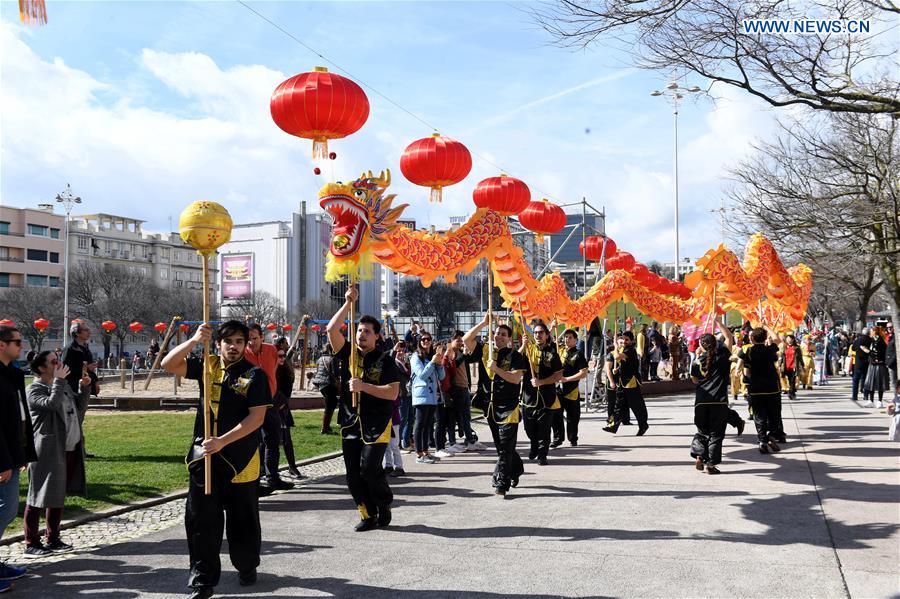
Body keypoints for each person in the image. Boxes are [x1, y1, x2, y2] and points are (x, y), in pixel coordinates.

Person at [327, 286, 400, 532]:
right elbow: (331, 330)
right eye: (359, 330)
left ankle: (383, 503)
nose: (361, 335)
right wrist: (348, 304)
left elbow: (392, 392)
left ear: (377, 336)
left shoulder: (386, 360)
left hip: (377, 424)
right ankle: (366, 513)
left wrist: (364, 386)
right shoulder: (347, 354)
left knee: (369, 468)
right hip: (350, 421)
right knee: (352, 474)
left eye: (367, 332)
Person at [23, 350, 91, 556]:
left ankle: (53, 538)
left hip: (68, 446)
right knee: (37, 495)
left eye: (58, 360)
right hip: (47, 449)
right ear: (42, 368)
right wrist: (59, 382)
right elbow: (50, 405)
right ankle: (31, 543)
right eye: (54, 362)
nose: (59, 364)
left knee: (57, 494)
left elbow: (79, 409)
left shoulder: (62, 385)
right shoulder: (34, 389)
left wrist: (84, 387)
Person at [464, 313, 527, 497]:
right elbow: (467, 339)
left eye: (503, 334)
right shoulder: (485, 351)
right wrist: (483, 323)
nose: (499, 336)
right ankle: (515, 469)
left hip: (509, 409)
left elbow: (515, 379)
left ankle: (501, 482)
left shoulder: (515, 356)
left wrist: (497, 370)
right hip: (491, 407)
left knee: (506, 447)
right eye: (497, 333)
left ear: (509, 339)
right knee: (502, 448)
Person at [0, 326, 37, 591]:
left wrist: (21, 452)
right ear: (1, 344)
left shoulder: (12, 374)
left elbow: (17, 416)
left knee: (8, 509)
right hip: (2, 457)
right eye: (16, 342)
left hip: (13, 452)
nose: (21, 346)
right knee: (4, 509)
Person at [245, 324, 292, 492]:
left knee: (273, 440)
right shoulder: (243, 353)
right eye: (248, 338)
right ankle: (254, 482)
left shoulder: (271, 350)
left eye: (254, 338)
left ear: (262, 337)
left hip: (270, 403)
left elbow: (274, 370)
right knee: (252, 443)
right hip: (251, 405)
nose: (251, 342)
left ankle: (273, 478)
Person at [689, 321, 734, 474]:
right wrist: (718, 323)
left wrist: (697, 357)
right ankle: (711, 464)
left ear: (701, 346)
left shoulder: (697, 361)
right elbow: (729, 338)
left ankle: (700, 455)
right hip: (719, 401)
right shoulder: (723, 355)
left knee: (702, 431)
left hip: (701, 401)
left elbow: (694, 380)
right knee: (716, 434)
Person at [520, 322, 563, 465]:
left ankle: (542, 455)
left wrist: (542, 382)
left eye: (541, 333)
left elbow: (558, 375)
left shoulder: (552, 353)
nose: (538, 335)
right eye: (536, 332)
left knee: (544, 429)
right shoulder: (528, 349)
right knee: (529, 428)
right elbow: (515, 361)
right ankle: (534, 444)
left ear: (546, 335)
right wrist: (522, 346)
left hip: (547, 398)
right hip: (529, 397)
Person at [739, 327, 784, 454]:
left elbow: (747, 371)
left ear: (752, 338)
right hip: (772, 387)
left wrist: (748, 382)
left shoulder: (749, 351)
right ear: (765, 338)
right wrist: (766, 327)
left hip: (756, 388)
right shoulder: (770, 350)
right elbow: (777, 339)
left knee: (759, 416)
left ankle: (762, 441)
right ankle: (771, 435)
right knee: (774, 415)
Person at [603, 330, 650, 436]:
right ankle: (612, 425)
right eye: (623, 339)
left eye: (627, 339)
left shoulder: (631, 350)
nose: (624, 341)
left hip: (631, 381)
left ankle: (643, 425)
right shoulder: (624, 349)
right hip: (622, 381)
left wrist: (615, 346)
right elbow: (624, 363)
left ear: (632, 341)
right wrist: (617, 369)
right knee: (618, 404)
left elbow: (617, 357)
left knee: (637, 405)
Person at [445, 332, 484, 451]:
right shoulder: (449, 352)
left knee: (466, 416)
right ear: (452, 340)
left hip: (464, 387)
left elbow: (471, 359)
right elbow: (452, 366)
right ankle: (452, 442)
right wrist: (464, 355)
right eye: (458, 340)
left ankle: (470, 440)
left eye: (462, 340)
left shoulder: (460, 352)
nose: (461, 342)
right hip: (455, 388)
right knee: (454, 417)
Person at [410, 334, 445, 463]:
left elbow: (441, 376)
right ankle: (419, 454)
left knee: (428, 425)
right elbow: (422, 375)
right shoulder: (415, 357)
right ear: (419, 342)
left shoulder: (431, 357)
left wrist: (439, 363)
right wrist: (432, 362)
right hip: (421, 395)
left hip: (432, 396)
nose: (426, 341)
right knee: (419, 424)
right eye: (423, 339)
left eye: (429, 339)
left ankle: (426, 451)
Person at [553, 329, 589, 447]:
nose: (567, 339)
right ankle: (558, 438)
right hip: (558, 389)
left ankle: (573, 438)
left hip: (571, 390)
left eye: (570, 337)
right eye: (565, 337)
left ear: (575, 340)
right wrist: (553, 327)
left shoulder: (578, 354)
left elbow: (583, 373)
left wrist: (567, 379)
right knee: (556, 415)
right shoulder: (559, 351)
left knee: (573, 417)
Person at [274, 348, 302, 479]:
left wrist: (280, 403)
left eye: (283, 356)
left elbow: (286, 393)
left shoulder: (286, 372)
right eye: (279, 356)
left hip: (281, 408)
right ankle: (267, 469)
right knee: (267, 442)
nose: (282, 358)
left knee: (286, 440)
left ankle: (292, 467)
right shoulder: (267, 370)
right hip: (267, 409)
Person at [311, 344, 338, 435]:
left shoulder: (320, 359)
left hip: (320, 384)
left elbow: (318, 370)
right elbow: (335, 373)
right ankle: (325, 428)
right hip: (329, 384)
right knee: (330, 406)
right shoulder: (333, 359)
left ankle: (327, 426)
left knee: (330, 404)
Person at [391, 342, 414, 451]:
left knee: (410, 419)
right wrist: (394, 350)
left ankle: (406, 442)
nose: (400, 353)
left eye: (402, 351)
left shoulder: (406, 363)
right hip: (401, 394)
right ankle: (397, 444)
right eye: (399, 351)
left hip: (409, 394)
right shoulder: (394, 363)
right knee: (402, 420)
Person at [863, 326, 890, 408]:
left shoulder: (880, 341)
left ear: (875, 332)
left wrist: (867, 351)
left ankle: (879, 401)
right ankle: (871, 400)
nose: (870, 333)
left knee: (879, 383)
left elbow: (878, 353)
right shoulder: (872, 340)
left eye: (871, 331)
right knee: (871, 383)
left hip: (879, 364)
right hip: (872, 364)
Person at [781, 334, 804, 400]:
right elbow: (782, 357)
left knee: (792, 380)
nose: (789, 340)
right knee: (789, 379)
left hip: (794, 366)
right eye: (787, 339)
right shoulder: (784, 347)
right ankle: (792, 391)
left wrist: (802, 365)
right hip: (786, 366)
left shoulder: (797, 348)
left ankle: (791, 393)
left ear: (793, 340)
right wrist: (780, 364)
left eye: (790, 339)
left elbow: (800, 357)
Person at [850, 329, 871, 402]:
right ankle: (865, 395)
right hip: (867, 362)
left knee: (856, 380)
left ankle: (854, 396)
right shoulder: (870, 340)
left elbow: (853, 348)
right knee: (866, 380)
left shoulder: (858, 340)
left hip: (858, 363)